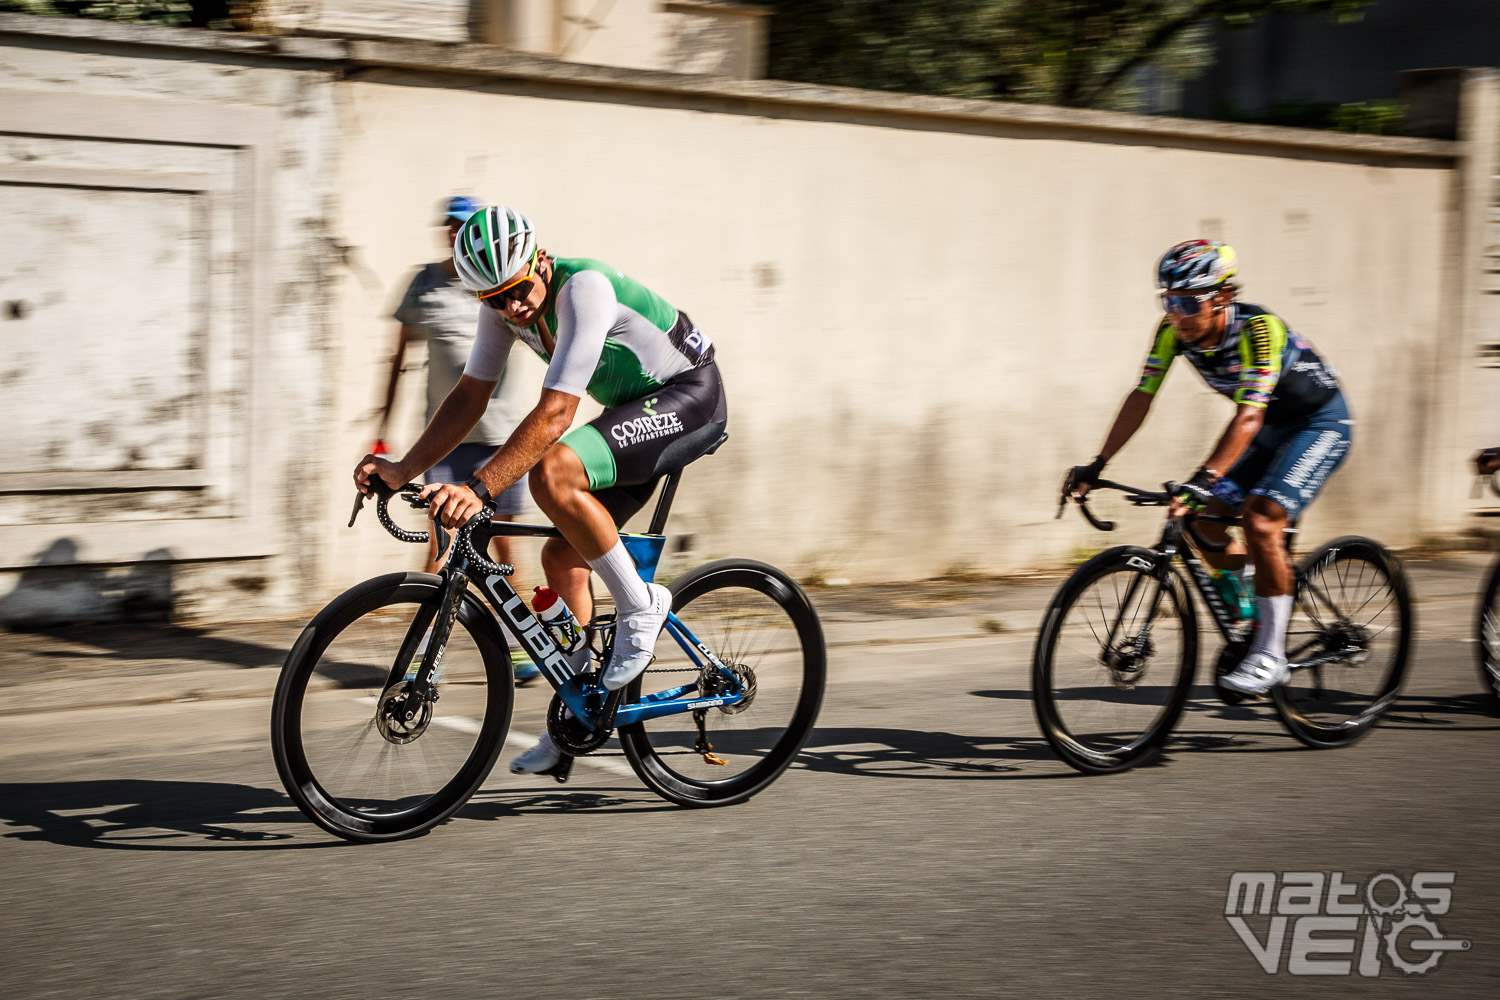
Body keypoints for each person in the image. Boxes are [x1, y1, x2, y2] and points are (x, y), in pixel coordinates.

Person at [354, 204, 728, 774]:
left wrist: (478, 489)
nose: (512, 306)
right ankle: (579, 717)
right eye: (495, 300)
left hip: (691, 397)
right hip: (636, 411)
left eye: (518, 289)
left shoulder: (584, 289)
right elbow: (468, 397)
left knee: (552, 471)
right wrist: (403, 468)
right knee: (562, 557)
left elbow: (555, 415)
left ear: (539, 260)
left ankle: (641, 606)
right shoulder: (502, 308)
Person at [1063, 240, 1350, 697]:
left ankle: (1270, 655)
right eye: (1168, 301)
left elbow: (1248, 416)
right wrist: (1097, 463)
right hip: (1266, 429)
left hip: (1318, 424)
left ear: (1222, 297)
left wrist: (1205, 477)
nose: (1177, 313)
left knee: (1260, 519)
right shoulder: (1172, 332)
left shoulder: (1259, 331)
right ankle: (1251, 610)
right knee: (1199, 519)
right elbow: (1142, 396)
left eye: (1188, 302)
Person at [375, 195, 540, 682]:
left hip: (502, 437)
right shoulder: (424, 283)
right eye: (450, 224)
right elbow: (397, 359)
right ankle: (426, 660)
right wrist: (383, 430)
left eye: (464, 225)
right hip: (447, 437)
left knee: (505, 547)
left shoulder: (497, 283)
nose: (455, 232)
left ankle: (522, 646)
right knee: (440, 549)